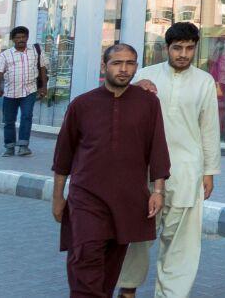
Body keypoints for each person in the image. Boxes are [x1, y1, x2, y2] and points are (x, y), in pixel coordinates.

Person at [52, 43, 170, 298]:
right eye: (117, 63)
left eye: (130, 64)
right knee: (85, 255)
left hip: (128, 199)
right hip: (86, 197)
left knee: (110, 266)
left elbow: (158, 148)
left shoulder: (148, 103)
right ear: (104, 66)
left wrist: (158, 190)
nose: (124, 69)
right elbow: (63, 155)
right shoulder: (82, 105)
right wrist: (58, 197)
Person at [116, 22, 221, 298]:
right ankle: (127, 288)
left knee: (181, 243)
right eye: (177, 48)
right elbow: (117, 105)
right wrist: (134, 88)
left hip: (187, 171)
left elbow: (209, 129)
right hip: (146, 172)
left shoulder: (204, 82)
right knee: (138, 235)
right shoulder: (145, 76)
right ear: (167, 48)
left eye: (189, 48)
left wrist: (209, 172)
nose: (183, 54)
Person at [0, 26, 48, 156]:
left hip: (29, 91)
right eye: (18, 37)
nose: (21, 40)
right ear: (13, 39)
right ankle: (9, 147)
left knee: (26, 116)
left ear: (27, 38)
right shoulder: (5, 55)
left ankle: (23, 146)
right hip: (10, 92)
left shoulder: (36, 51)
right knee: (9, 120)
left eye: (23, 37)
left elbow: (42, 69)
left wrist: (44, 87)